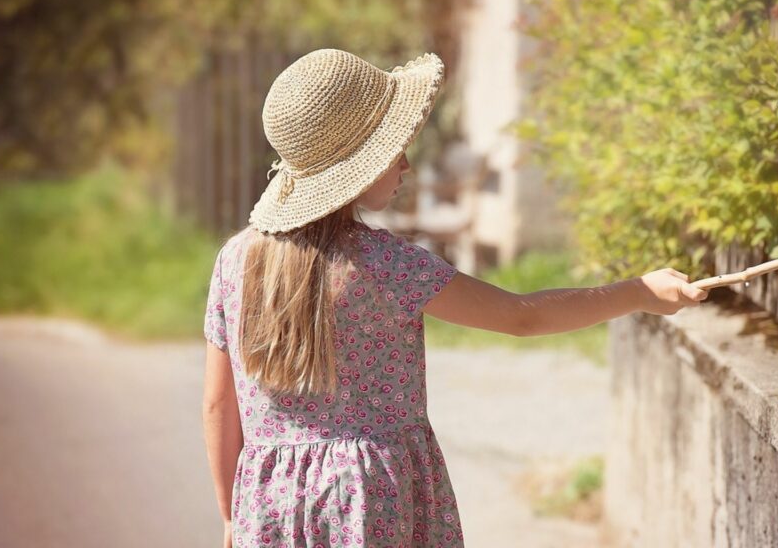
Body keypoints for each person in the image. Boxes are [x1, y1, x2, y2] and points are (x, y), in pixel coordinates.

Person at [202, 48, 708, 548]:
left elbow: (217, 402)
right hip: (373, 498)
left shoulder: (233, 261)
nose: (405, 164)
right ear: (355, 168)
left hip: (267, 503)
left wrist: (231, 512)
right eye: (391, 150)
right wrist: (638, 292)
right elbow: (520, 317)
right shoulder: (387, 265)